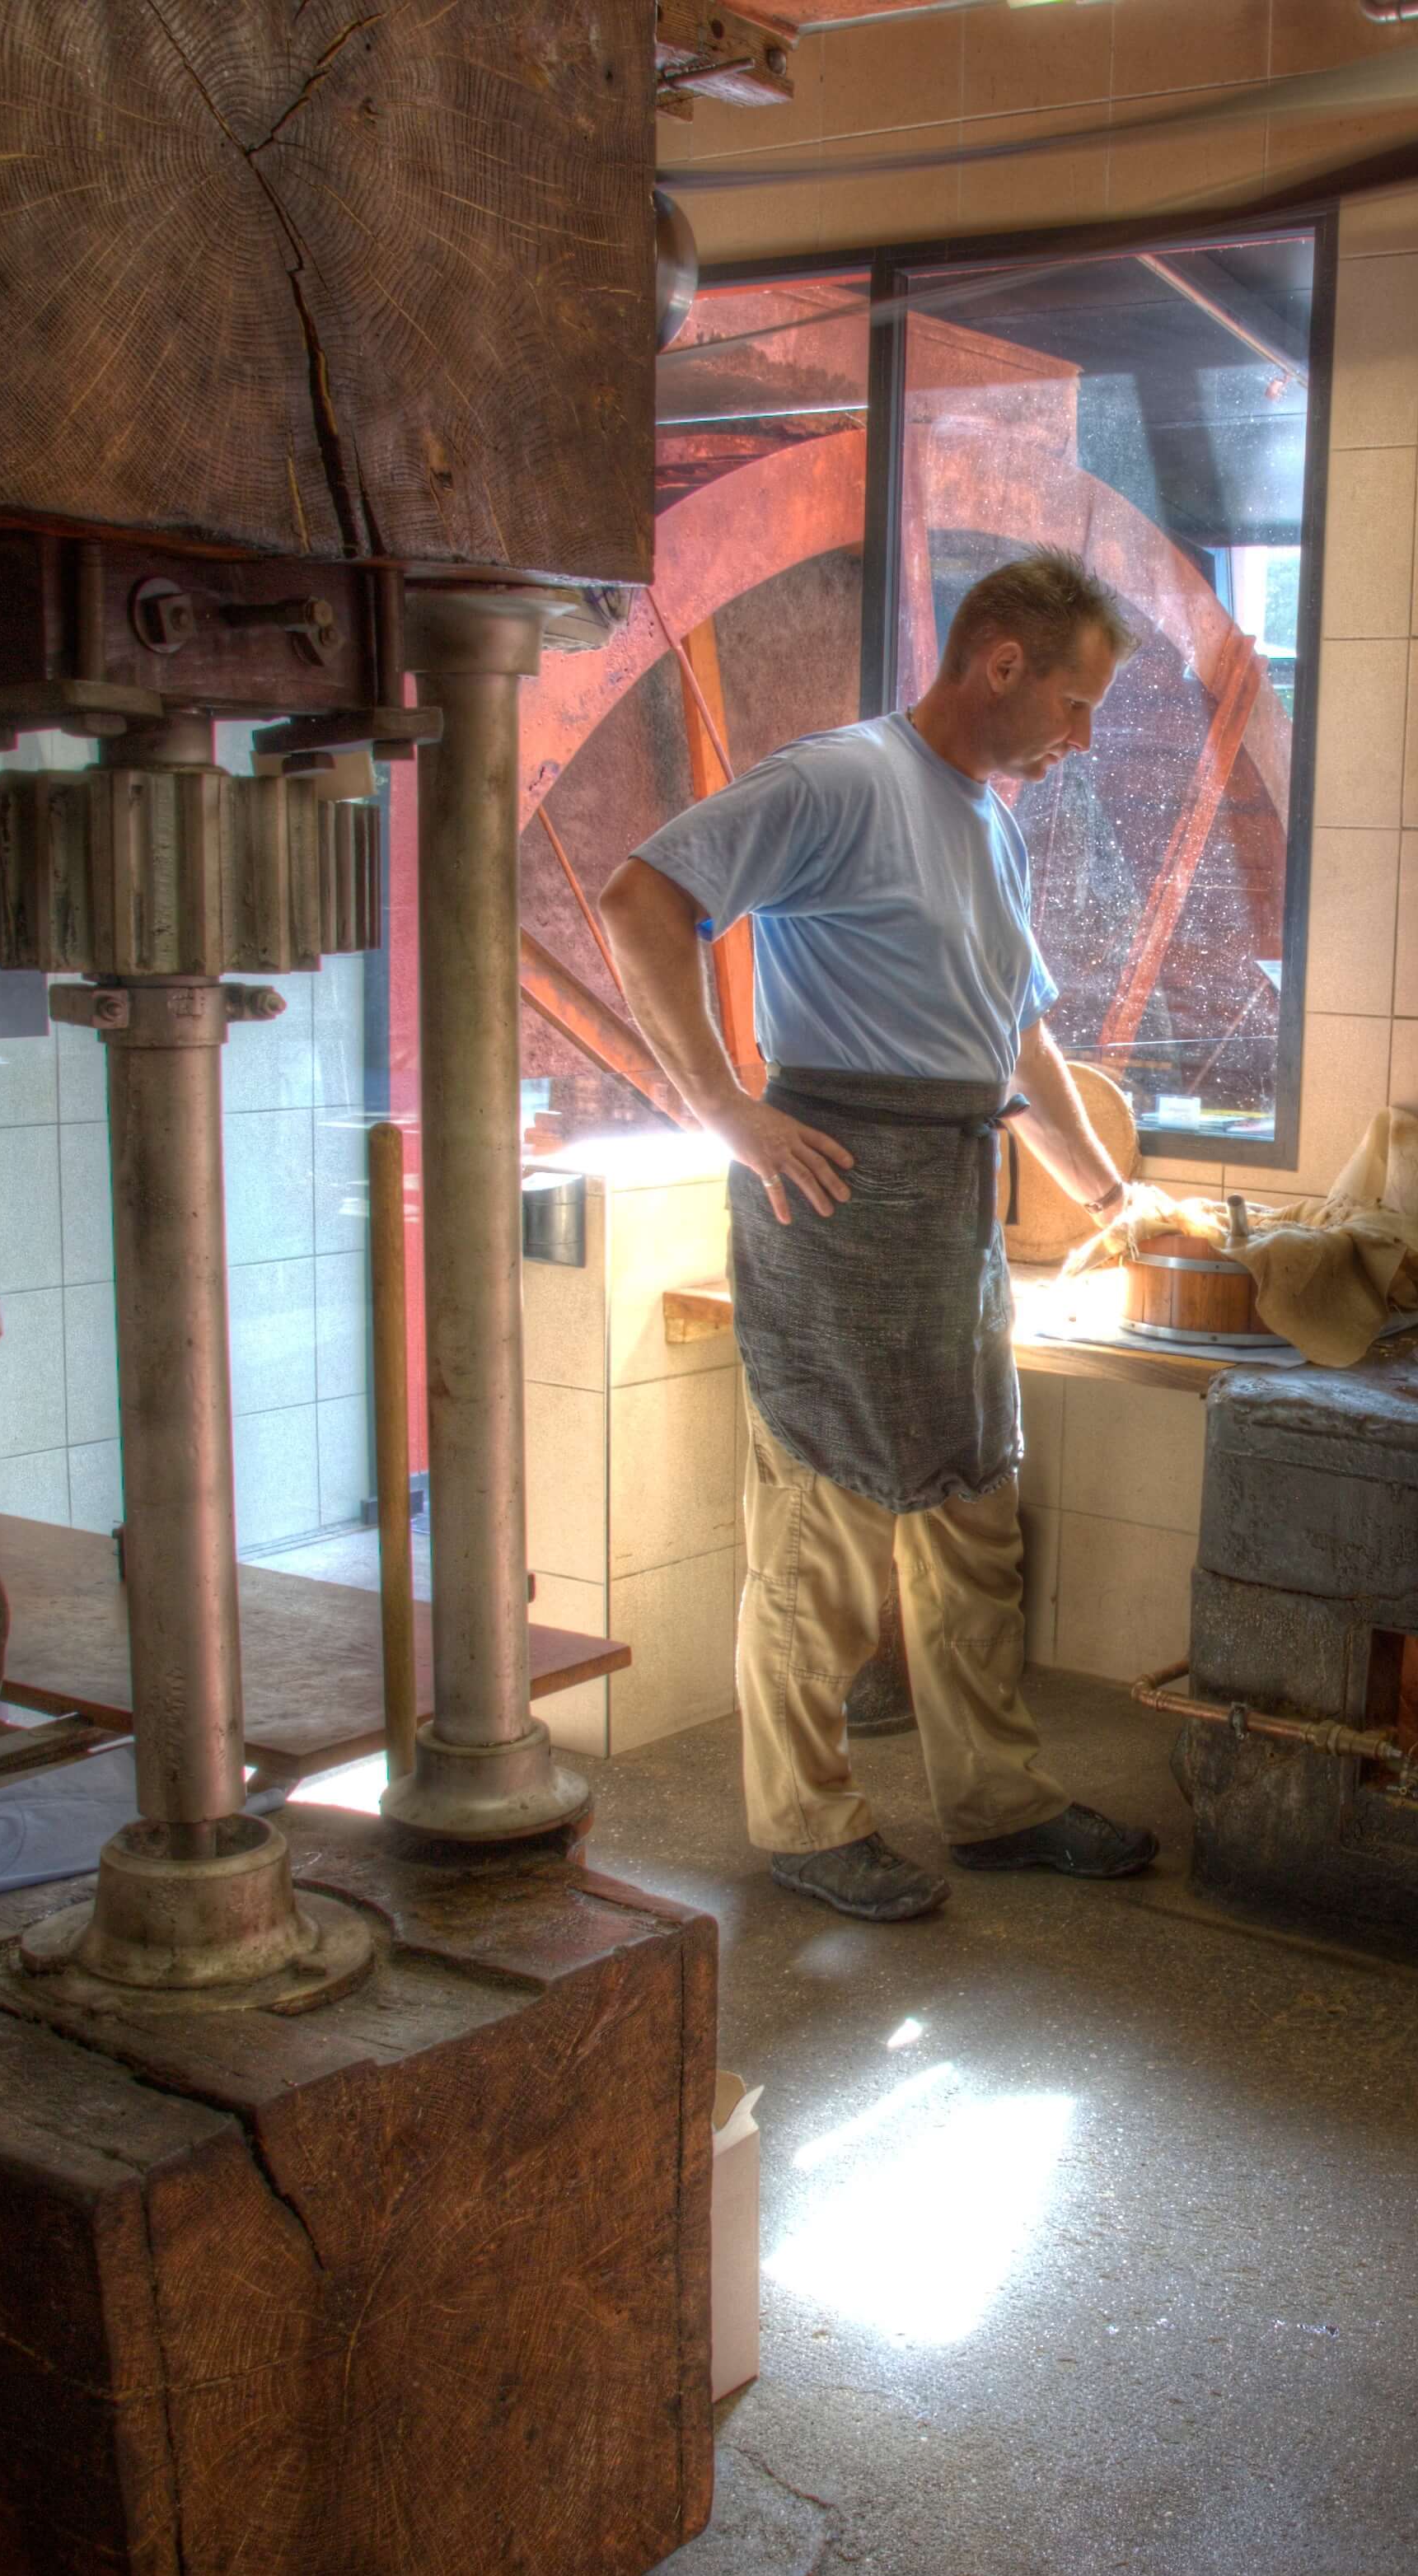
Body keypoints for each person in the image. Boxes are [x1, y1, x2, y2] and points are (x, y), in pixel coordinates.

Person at [597, 551, 1164, 1922]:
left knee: (973, 1515)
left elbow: (1012, 1034)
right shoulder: (841, 780)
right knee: (824, 1528)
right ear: (1002, 663)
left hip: (953, 1206)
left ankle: (999, 1803)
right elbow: (640, 903)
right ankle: (806, 1821)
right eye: (1077, 706)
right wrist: (729, 1109)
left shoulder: (995, 823)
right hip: (837, 1195)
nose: (1081, 742)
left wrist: (1102, 1192)